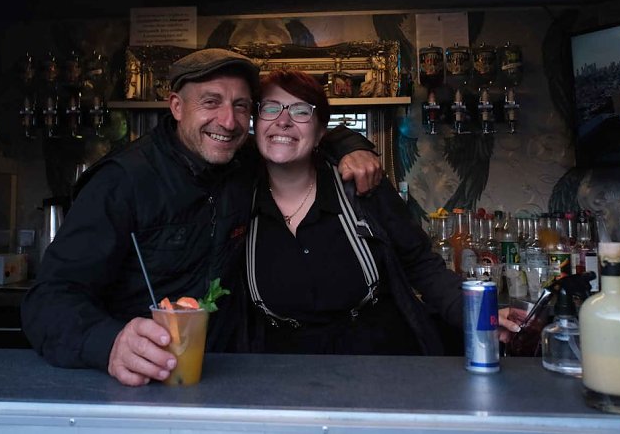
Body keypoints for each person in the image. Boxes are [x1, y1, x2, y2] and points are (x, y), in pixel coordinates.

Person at [21, 48, 382, 386]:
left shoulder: (243, 164)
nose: (228, 121)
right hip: (143, 386)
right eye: (211, 102)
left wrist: (355, 146)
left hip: (234, 380)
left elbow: (301, 135)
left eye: (241, 106)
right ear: (176, 106)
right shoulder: (122, 182)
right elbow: (48, 299)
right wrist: (109, 343)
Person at [241, 69, 519, 355]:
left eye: (301, 111)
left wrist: (475, 313)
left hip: (377, 361)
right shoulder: (236, 197)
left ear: (321, 132)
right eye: (271, 109)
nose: (283, 121)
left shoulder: (362, 187)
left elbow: (420, 263)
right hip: (279, 368)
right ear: (255, 122)